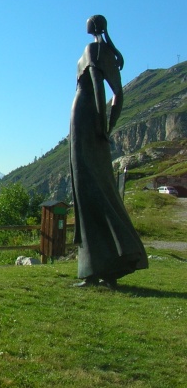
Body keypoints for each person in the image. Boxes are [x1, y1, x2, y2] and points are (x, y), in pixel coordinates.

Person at [69, 15, 147, 288]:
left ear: (92, 27)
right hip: (90, 121)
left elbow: (101, 88)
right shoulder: (109, 55)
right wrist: (108, 126)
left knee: (89, 188)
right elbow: (118, 96)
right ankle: (101, 267)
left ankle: (100, 267)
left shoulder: (92, 51)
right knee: (94, 189)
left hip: (84, 118)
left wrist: (103, 126)